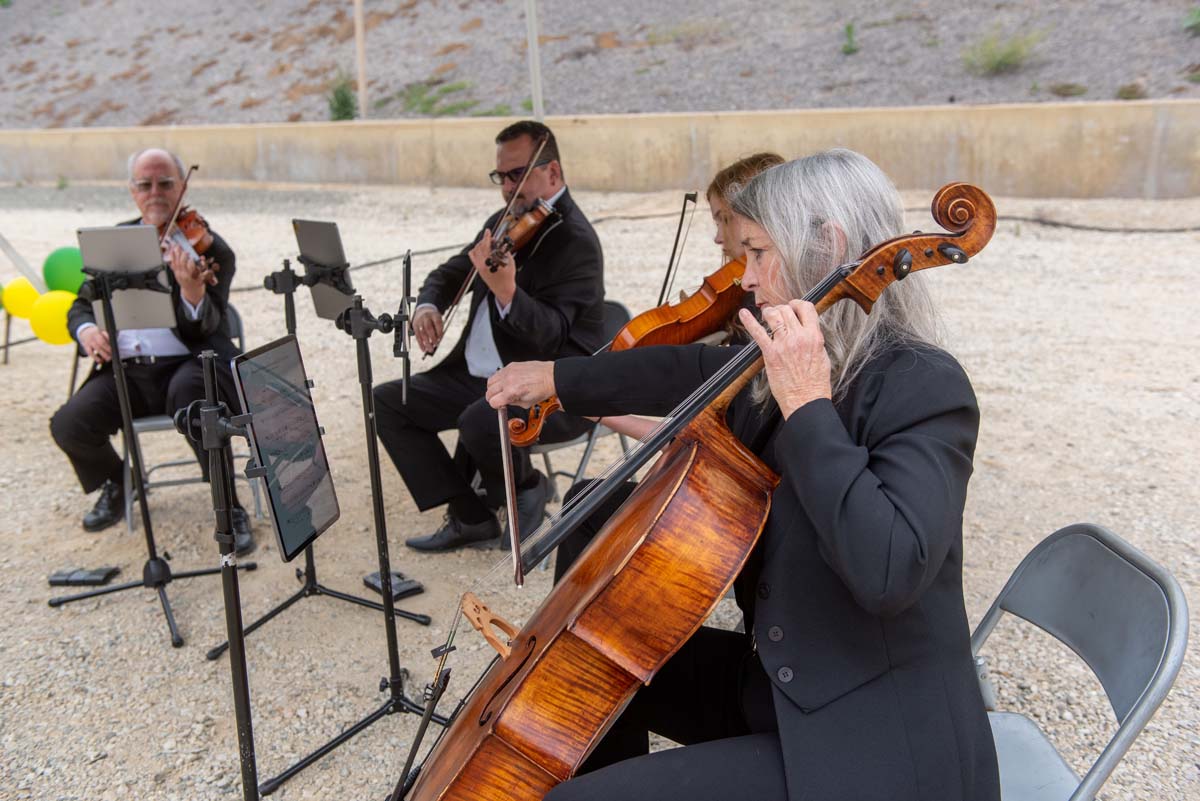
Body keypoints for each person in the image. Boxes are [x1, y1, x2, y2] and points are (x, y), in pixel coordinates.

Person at [485, 149, 1000, 801]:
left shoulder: (923, 385)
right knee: (582, 680)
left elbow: (888, 569)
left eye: (757, 252)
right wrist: (558, 378)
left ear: (830, 247)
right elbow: (683, 370)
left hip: (873, 743)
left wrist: (808, 404)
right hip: (786, 684)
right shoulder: (784, 360)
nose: (744, 278)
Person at [373, 120, 605, 552]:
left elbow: (553, 336)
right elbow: (449, 273)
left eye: (518, 174)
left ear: (552, 174)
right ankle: (470, 514)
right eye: (502, 176)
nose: (507, 188)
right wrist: (427, 306)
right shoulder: (504, 222)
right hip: (479, 372)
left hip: (548, 385)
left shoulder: (575, 242)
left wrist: (508, 294)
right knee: (388, 402)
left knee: (482, 417)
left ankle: (527, 485)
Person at [49, 148, 255, 554]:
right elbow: (79, 305)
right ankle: (120, 480)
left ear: (181, 186)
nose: (156, 192)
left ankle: (227, 504)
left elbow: (209, 324)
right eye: (145, 184)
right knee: (69, 424)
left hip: (188, 364)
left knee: (196, 403)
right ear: (133, 192)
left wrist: (193, 294)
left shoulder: (210, 248)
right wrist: (88, 330)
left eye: (166, 183)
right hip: (124, 371)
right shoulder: (115, 242)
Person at [595, 151, 784, 444]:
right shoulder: (741, 299)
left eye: (724, 219)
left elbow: (710, 442)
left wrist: (604, 411)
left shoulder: (764, 308)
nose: (718, 238)